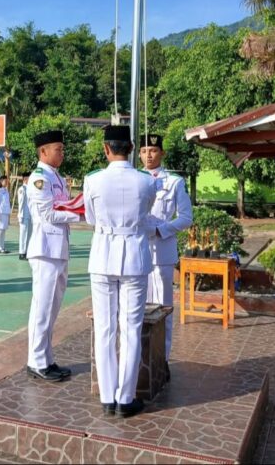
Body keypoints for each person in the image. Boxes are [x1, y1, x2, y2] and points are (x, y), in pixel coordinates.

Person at [84, 124, 157, 418]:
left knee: (104, 328)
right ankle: (125, 398)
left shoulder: (93, 181)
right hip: (134, 258)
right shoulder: (146, 181)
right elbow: (146, 212)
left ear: (106, 149)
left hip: (102, 256)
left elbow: (90, 218)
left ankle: (106, 396)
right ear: (130, 148)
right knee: (131, 329)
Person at [25, 130, 81, 382]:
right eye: (58, 149)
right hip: (45, 249)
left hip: (58, 248)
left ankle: (46, 358)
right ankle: (36, 362)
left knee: (52, 308)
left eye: (62, 148)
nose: (62, 152)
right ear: (43, 151)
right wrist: (79, 214)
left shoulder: (55, 177)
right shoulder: (39, 179)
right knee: (42, 307)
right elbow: (48, 214)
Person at [140, 133, 193, 366]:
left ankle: (162, 359)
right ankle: (141, 359)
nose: (148, 155)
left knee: (163, 307)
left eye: (152, 150)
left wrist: (162, 230)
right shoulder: (134, 179)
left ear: (162, 153)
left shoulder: (174, 182)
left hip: (162, 251)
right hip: (138, 250)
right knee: (138, 306)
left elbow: (185, 218)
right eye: (143, 150)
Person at [0, 175, 11, 254]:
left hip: (5, 213)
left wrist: (8, 214)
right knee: (0, 230)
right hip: (0, 213)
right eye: (5, 181)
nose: (7, 182)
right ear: (1, 182)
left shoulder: (6, 190)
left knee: (3, 231)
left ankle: (2, 246)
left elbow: (7, 203)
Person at [17, 172, 32, 260]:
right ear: (25, 179)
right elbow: (21, 203)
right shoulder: (22, 189)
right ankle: (22, 252)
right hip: (24, 215)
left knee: (29, 234)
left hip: (30, 215)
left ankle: (26, 251)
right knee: (23, 235)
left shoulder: (30, 189)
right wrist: (20, 215)